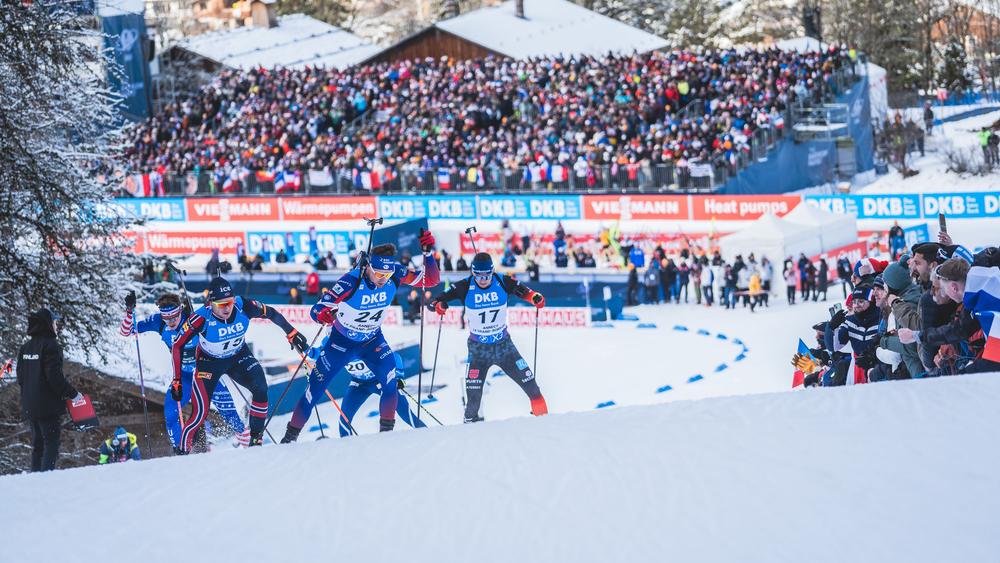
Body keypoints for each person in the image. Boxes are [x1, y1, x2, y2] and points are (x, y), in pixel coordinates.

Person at [280, 230, 439, 442]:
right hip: (341, 343)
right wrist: (323, 314)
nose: (383, 279)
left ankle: (385, 437)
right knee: (314, 391)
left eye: (387, 275)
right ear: (368, 267)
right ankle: (289, 439)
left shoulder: (395, 273)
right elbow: (317, 309)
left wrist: (428, 254)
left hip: (372, 341)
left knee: (391, 385)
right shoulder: (351, 281)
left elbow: (431, 280)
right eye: (379, 274)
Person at [171, 277, 308, 451]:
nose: (227, 308)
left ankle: (255, 441)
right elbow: (177, 345)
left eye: (229, 302)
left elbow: (271, 313)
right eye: (221, 304)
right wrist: (177, 380)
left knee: (261, 388)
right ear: (211, 304)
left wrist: (291, 332)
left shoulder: (242, 305)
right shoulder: (201, 317)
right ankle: (182, 452)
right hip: (209, 362)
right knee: (200, 413)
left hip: (238, 357)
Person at [120, 292, 247, 452]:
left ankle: (250, 443)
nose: (171, 322)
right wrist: (129, 311)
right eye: (166, 319)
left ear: (180, 311)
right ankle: (181, 450)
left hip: (206, 372)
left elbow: (219, 317)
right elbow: (127, 331)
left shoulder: (193, 318)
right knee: (171, 413)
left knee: (228, 411)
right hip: (183, 376)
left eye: (174, 318)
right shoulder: (158, 321)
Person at [428, 253, 548, 423]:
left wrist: (535, 297)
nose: (483, 280)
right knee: (473, 404)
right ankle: (468, 434)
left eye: (487, 275)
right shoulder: (464, 286)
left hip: (504, 347)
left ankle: (545, 427)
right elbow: (435, 301)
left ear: (492, 271)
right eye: (479, 276)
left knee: (533, 390)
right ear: (473, 273)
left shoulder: (502, 280)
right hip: (479, 351)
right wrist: (438, 305)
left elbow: (525, 292)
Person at [17, 308, 81, 472]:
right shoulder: (51, 345)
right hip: (47, 406)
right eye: (54, 322)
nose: (56, 326)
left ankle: (36, 477)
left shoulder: (25, 348)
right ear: (47, 324)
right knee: (51, 443)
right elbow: (54, 377)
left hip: (30, 405)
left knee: (37, 445)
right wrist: (73, 394)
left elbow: (21, 377)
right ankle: (46, 479)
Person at [331, 353, 427, 437]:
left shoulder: (363, 340)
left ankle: (427, 436)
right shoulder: (333, 343)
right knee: (344, 419)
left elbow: (394, 356)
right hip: (359, 385)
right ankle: (348, 448)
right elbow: (323, 358)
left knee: (406, 414)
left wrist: (399, 377)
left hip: (381, 380)